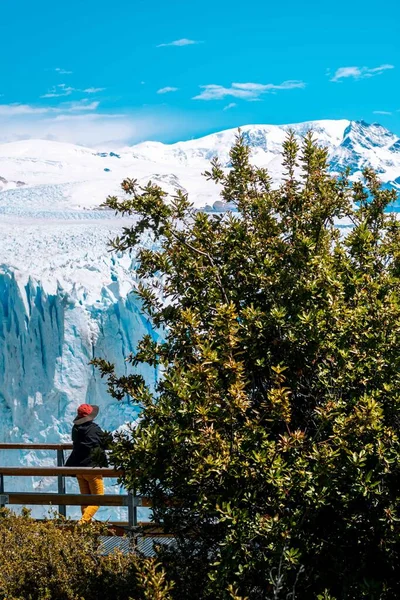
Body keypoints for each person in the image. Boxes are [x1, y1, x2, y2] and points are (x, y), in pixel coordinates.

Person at [65, 404, 107, 524]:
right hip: (92, 469)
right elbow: (106, 442)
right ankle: (83, 523)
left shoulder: (76, 429)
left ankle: (85, 527)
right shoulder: (94, 429)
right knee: (98, 498)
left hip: (79, 468)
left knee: (86, 499)